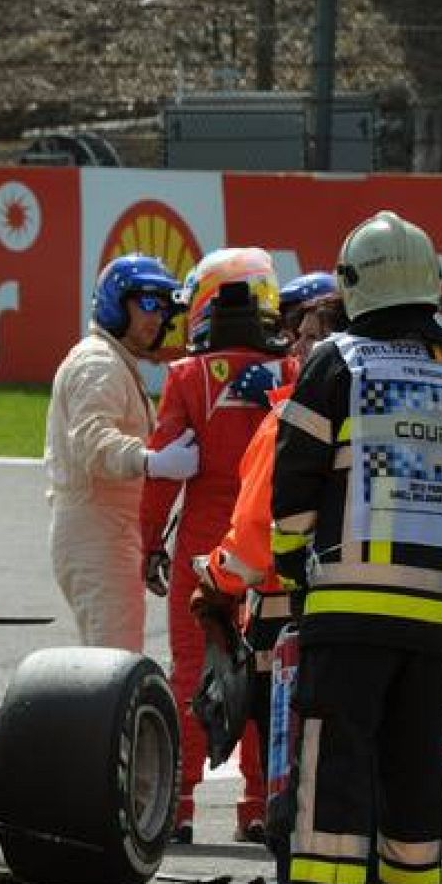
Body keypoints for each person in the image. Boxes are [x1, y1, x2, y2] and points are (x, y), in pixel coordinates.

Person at [246, 211, 442, 884]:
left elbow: (294, 485)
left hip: (349, 607)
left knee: (334, 770)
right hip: (435, 615)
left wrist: (292, 568)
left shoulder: (340, 363)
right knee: (414, 769)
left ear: (355, 285)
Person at [190, 270, 341, 884]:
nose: (296, 349)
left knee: (290, 769)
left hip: (283, 624)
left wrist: (212, 576)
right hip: (368, 612)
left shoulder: (286, 418)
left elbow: (252, 545)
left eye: (306, 338)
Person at [141, 247, 290, 845]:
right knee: (267, 675)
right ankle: (257, 804)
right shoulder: (290, 374)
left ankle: (178, 804)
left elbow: (161, 475)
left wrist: (148, 544)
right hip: (269, 544)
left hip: (202, 549)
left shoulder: (186, 376)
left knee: (192, 674)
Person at [44, 254, 198, 652]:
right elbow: (91, 442)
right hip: (96, 532)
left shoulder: (113, 362)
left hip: (110, 530)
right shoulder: (98, 362)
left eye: (163, 307)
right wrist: (152, 461)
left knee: (111, 659)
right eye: (147, 303)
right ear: (116, 303)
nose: (157, 317)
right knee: (112, 663)